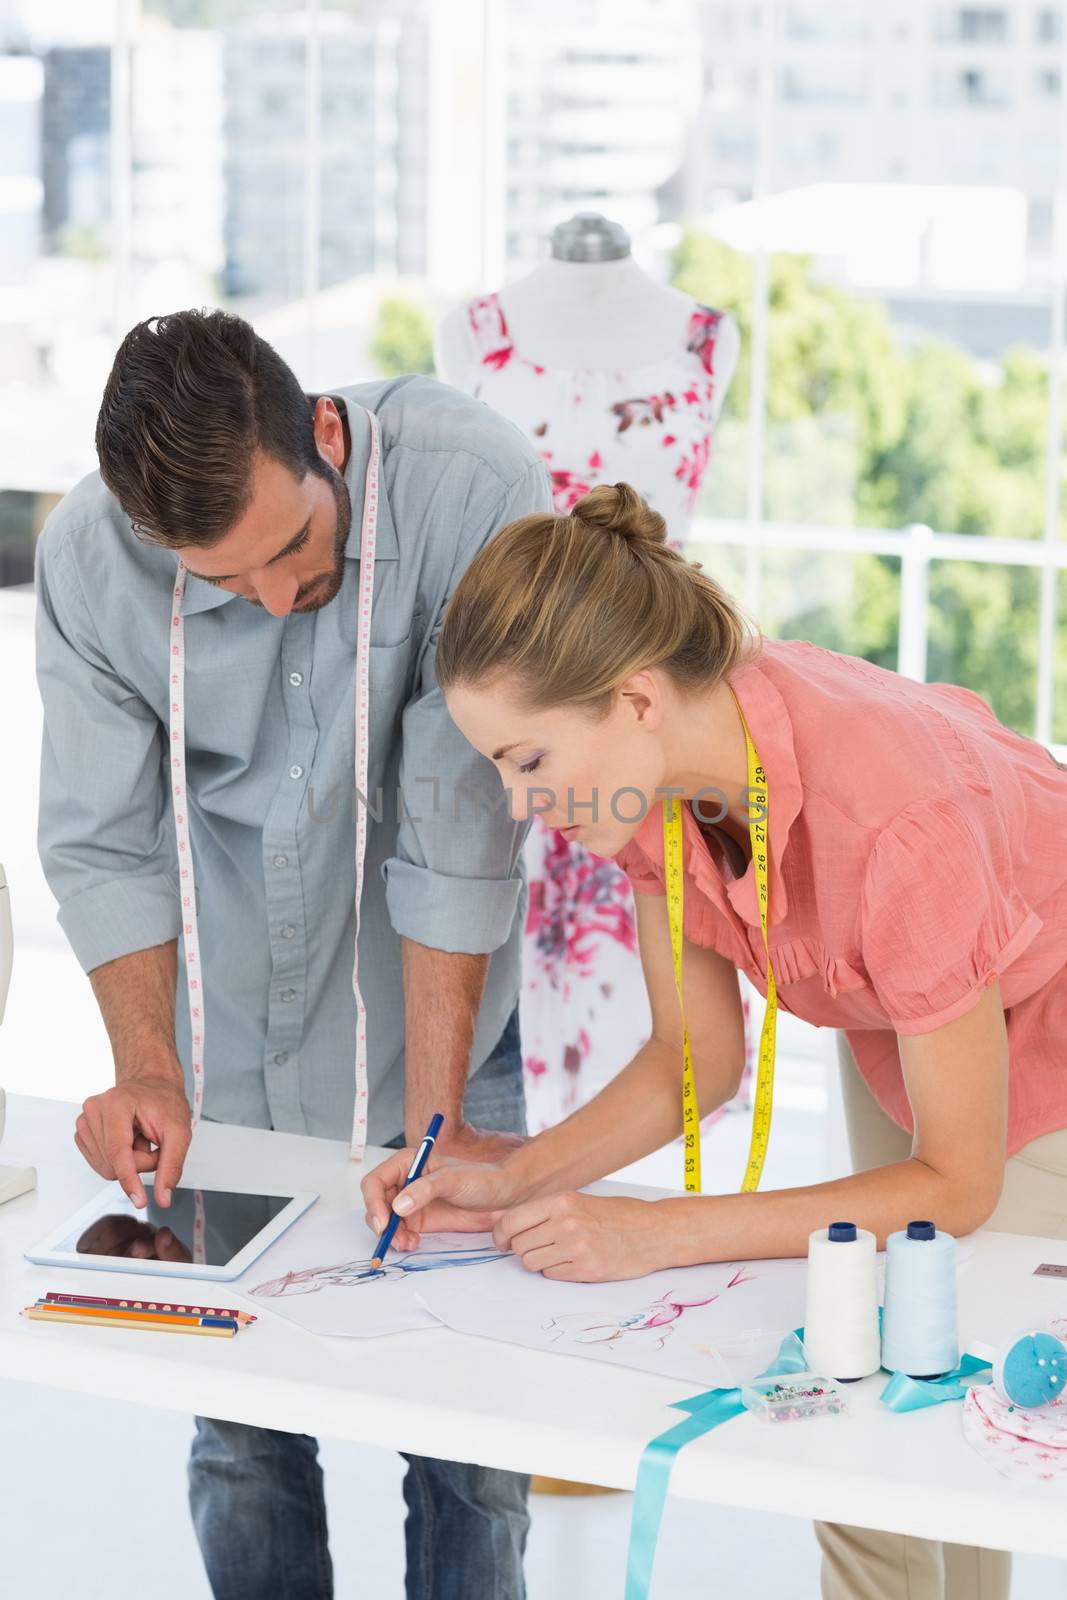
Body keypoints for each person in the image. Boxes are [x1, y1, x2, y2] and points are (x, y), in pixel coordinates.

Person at [363, 480, 1067, 1600]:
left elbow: (959, 1183)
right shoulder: (649, 781)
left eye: (527, 760)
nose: (512, 803)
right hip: (909, 1006)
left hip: (1048, 1008)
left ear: (633, 700)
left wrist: (652, 1234)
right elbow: (694, 1060)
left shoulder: (895, 823)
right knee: (867, 1395)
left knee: (966, 1396)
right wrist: (506, 1181)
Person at [34, 308, 550, 1600]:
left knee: (470, 1444)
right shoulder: (89, 564)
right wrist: (147, 1067)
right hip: (226, 1047)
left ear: (323, 433)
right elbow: (104, 843)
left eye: (292, 549)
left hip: (446, 1023)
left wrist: (434, 1122)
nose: (274, 598)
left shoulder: (470, 493)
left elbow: (456, 831)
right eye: (224, 583)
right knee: (243, 1431)